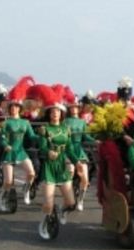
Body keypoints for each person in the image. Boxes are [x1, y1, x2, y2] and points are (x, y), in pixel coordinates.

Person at [37, 84, 84, 240]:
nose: (55, 113)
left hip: (63, 165)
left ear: (61, 113)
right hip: (50, 166)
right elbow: (41, 148)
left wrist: (77, 162)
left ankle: (61, 210)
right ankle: (45, 219)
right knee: (48, 203)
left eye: (58, 111)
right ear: (49, 113)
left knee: (71, 203)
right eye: (52, 111)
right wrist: (47, 152)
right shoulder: (44, 129)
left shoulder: (66, 129)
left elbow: (70, 149)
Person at [0, 76, 37, 211]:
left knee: (31, 173)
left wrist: (44, 135)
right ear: (9, 109)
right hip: (9, 153)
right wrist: (5, 145)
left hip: (21, 152)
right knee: (8, 182)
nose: (14, 109)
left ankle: (26, 189)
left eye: (16, 107)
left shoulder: (25, 123)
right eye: (11, 107)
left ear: (20, 108)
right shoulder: (6, 123)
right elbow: (1, 137)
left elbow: (32, 136)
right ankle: (2, 196)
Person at [63, 97, 97, 211]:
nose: (74, 109)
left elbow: (85, 136)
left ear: (78, 108)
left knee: (85, 179)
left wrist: (95, 141)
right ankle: (68, 197)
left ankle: (81, 200)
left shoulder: (82, 122)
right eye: (71, 107)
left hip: (79, 150)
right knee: (70, 173)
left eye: (76, 107)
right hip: (68, 149)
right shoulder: (65, 121)